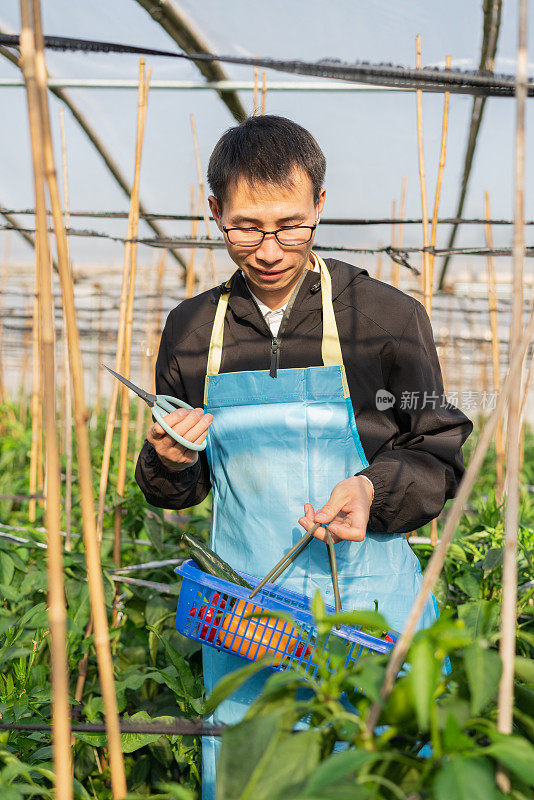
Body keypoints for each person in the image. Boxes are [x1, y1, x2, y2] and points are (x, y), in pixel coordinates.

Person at [135, 114, 473, 799]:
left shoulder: (385, 317)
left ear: (320, 204)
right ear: (213, 211)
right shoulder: (193, 331)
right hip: (246, 614)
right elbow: (185, 484)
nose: (267, 248)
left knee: (374, 770)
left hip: (369, 607)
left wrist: (373, 489)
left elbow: (436, 449)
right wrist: (170, 459)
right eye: (245, 227)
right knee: (251, 775)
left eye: (290, 225)